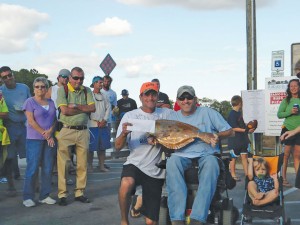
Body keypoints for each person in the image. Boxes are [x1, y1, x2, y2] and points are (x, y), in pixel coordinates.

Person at [166, 85, 233, 225]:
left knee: (212, 163)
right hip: (181, 155)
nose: (186, 100)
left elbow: (230, 131)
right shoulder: (172, 117)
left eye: (189, 97)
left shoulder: (208, 113)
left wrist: (216, 135)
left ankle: (198, 217)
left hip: (206, 154)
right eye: (182, 98)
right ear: (177, 101)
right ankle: (177, 218)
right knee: (171, 162)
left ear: (195, 99)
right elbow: (164, 136)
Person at [115, 82, 173, 225]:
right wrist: (123, 134)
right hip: (134, 163)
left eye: (153, 94)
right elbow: (117, 146)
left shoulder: (166, 114)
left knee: (150, 222)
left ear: (157, 96)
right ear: (140, 97)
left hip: (155, 169)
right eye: (147, 95)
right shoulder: (130, 115)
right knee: (126, 183)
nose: (150, 98)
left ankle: (140, 202)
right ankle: (124, 220)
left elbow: (184, 117)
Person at [56, 67, 95, 206]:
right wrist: (83, 109)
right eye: (76, 78)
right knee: (64, 164)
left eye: (81, 78)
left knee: (82, 164)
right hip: (67, 129)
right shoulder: (63, 89)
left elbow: (93, 108)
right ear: (70, 78)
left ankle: (80, 192)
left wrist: (76, 106)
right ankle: (62, 194)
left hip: (83, 130)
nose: (79, 81)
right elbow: (65, 111)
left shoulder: (87, 90)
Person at [22, 77, 57, 207]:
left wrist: (51, 132)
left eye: (42, 86)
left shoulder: (51, 102)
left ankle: (45, 195)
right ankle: (28, 196)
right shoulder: (29, 102)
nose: (40, 89)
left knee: (48, 168)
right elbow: (31, 121)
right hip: (34, 140)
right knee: (32, 168)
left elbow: (55, 120)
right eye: (37, 86)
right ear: (33, 88)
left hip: (49, 139)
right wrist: (46, 134)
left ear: (46, 88)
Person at [0, 66, 31, 196]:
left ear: (13, 74)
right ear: (1, 79)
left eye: (10, 75)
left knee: (30, 156)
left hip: (25, 125)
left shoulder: (24, 87)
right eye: (4, 77)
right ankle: (11, 185)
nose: (8, 78)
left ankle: (32, 184)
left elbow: (31, 103)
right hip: (9, 126)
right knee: (10, 157)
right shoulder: (1, 91)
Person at [45, 68, 74, 185]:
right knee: (50, 151)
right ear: (58, 77)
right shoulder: (52, 89)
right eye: (63, 76)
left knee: (66, 152)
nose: (65, 78)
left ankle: (65, 177)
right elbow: (45, 104)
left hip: (65, 123)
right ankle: (50, 177)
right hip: (53, 123)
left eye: (67, 77)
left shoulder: (70, 90)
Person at [277, 79, 300, 187]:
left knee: (297, 155)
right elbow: (279, 114)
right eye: (291, 86)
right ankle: (283, 178)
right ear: (289, 88)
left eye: (296, 86)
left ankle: (298, 179)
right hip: (287, 130)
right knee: (285, 155)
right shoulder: (286, 100)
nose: (293, 88)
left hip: (299, 131)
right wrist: (290, 112)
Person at [227, 95, 255, 181]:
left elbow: (242, 125)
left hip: (243, 139)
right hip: (235, 139)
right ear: (239, 103)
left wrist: (249, 127)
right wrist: (246, 130)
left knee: (244, 156)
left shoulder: (239, 113)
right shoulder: (232, 114)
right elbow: (233, 128)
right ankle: (233, 174)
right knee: (233, 158)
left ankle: (247, 174)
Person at [88, 76, 111, 172]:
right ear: (94, 84)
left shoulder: (104, 95)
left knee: (102, 148)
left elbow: (108, 108)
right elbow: (88, 109)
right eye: (98, 82)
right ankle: (89, 166)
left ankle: (101, 166)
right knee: (90, 148)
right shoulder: (89, 95)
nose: (101, 84)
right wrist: (96, 120)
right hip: (92, 125)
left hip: (103, 125)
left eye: (101, 82)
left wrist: (104, 120)